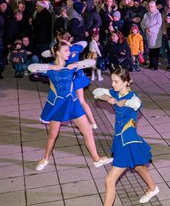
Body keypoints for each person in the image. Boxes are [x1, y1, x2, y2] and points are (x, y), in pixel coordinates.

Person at [87, 68, 158, 206]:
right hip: (120, 140)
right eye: (112, 81)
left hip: (129, 141)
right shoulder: (114, 92)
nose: (112, 84)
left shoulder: (131, 97)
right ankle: (153, 188)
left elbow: (137, 104)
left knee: (109, 180)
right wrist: (108, 98)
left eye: (116, 82)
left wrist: (122, 102)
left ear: (126, 82)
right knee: (140, 167)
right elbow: (96, 91)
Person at [32, 41, 112, 171]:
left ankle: (96, 159)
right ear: (57, 53)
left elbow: (91, 62)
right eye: (66, 51)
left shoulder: (71, 65)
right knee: (53, 134)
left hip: (72, 102)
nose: (69, 53)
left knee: (88, 131)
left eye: (69, 51)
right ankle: (45, 159)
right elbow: (32, 67)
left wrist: (77, 64)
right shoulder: (50, 67)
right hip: (57, 104)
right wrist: (51, 67)